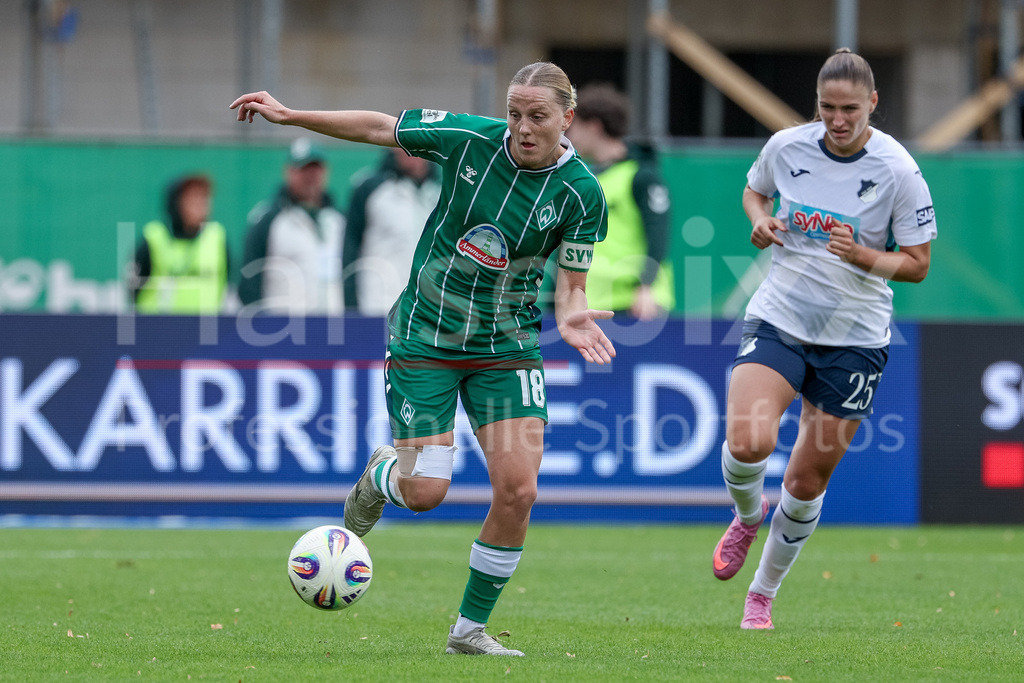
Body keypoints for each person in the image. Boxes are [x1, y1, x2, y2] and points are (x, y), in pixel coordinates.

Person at [231, 61, 615, 656]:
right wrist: (290, 113)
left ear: (567, 117)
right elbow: (379, 128)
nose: (522, 127)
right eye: (514, 113)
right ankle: (384, 475)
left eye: (537, 116)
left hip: (506, 349)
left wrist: (570, 315)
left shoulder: (583, 194)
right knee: (427, 493)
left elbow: (572, 284)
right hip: (426, 339)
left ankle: (468, 632)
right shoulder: (468, 139)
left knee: (519, 491)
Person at [712, 48, 936, 629]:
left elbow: (917, 265)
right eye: (828, 108)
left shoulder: (898, 170)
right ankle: (746, 515)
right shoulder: (787, 146)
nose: (838, 120)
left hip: (856, 337)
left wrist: (863, 255)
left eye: (850, 110)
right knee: (748, 439)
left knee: (806, 479)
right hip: (782, 315)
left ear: (873, 105)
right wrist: (759, 221)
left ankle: (761, 593)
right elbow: (754, 192)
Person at [566, 83, 673, 320]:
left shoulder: (641, 175)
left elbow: (658, 233)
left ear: (594, 127)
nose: (568, 135)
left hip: (635, 303)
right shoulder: (586, 179)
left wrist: (646, 286)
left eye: (573, 126)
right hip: (594, 303)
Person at [237, 138, 345, 315]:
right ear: (289, 172)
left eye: (315, 169)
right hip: (285, 329)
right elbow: (249, 278)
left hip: (334, 328)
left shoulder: (338, 220)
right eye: (303, 170)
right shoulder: (268, 219)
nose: (310, 177)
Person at [343, 147, 441, 316]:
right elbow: (350, 249)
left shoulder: (442, 192)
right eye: (407, 141)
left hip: (427, 314)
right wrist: (351, 307)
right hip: (377, 307)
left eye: (419, 140)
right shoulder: (370, 189)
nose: (412, 149)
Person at [128, 174, 229, 314]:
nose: (200, 205)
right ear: (175, 202)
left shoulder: (217, 237)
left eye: (204, 198)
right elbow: (133, 287)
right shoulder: (154, 237)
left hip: (206, 329)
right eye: (193, 198)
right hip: (158, 329)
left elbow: (229, 283)